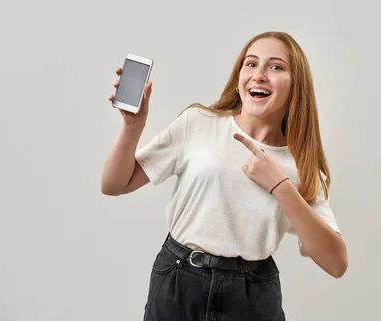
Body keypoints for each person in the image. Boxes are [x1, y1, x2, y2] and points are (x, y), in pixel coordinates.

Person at [101, 31, 348, 321]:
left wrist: (280, 185)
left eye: (276, 67)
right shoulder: (198, 123)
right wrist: (133, 126)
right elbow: (114, 184)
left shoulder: (300, 165)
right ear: (239, 75)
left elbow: (336, 263)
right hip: (179, 281)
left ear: (297, 85)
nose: (259, 75)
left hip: (252, 294)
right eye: (251, 64)